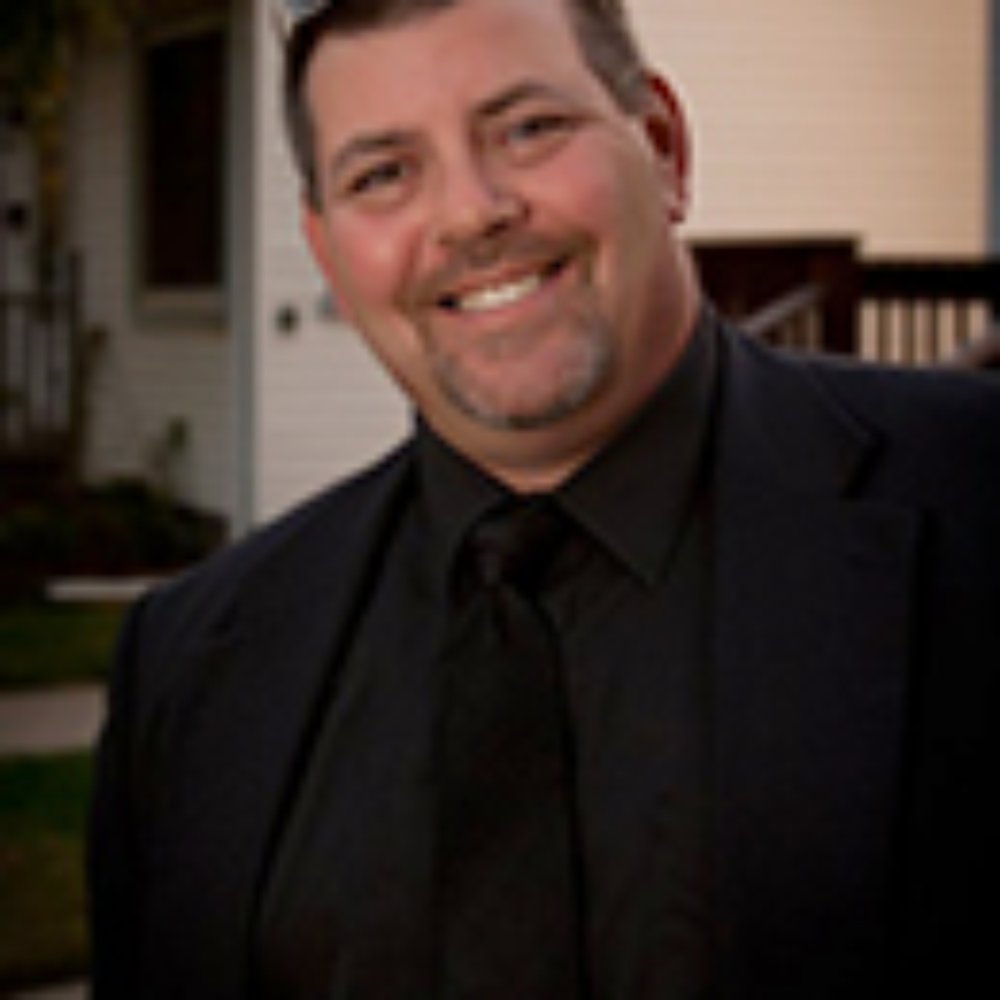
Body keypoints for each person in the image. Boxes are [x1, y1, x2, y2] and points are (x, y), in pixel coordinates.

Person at [88, 0, 1000, 996]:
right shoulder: (192, 664)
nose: (470, 213)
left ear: (663, 148)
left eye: (528, 128)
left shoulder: (974, 492)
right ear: (330, 256)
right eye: (383, 174)